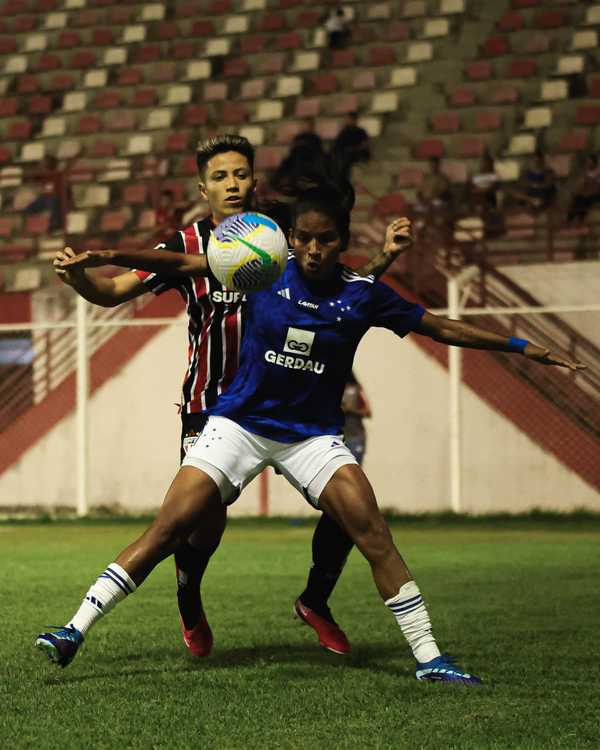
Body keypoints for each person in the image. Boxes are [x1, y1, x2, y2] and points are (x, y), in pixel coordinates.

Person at [40, 182, 584, 683]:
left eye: (326, 239)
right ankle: (73, 630)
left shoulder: (364, 294)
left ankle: (430, 659)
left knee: (372, 530)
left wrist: (520, 347)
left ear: (342, 241)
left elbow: (438, 326)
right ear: (291, 239)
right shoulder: (261, 272)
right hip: (238, 424)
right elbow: (184, 261)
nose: (314, 248)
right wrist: (109, 255)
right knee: (168, 529)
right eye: (304, 237)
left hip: (311, 437)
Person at [51, 135, 402, 658]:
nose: (232, 184)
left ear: (253, 181)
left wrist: (382, 260)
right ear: (203, 188)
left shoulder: (279, 236)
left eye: (240, 174)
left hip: (290, 407)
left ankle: (316, 600)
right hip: (212, 405)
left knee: (349, 508)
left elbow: (337, 283)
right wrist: (81, 278)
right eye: (220, 177)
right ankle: (189, 595)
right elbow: (113, 291)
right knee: (199, 523)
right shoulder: (186, 246)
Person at [25, 154, 71, 232]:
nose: (41, 164)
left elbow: (66, 190)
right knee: (30, 208)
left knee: (52, 203)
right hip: (44, 198)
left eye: (43, 162)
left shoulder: (58, 175)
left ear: (49, 164)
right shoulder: (42, 174)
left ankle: (54, 226)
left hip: (56, 197)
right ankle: (35, 226)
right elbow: (30, 177)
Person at [341, 371, 371, 465]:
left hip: (355, 437)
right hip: (339, 438)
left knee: (355, 469)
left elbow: (367, 412)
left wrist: (350, 409)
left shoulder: (357, 389)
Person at [332, 113, 370, 181]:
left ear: (354, 120)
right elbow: (338, 145)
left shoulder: (360, 131)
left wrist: (355, 149)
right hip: (345, 153)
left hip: (357, 153)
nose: (347, 121)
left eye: (349, 119)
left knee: (346, 160)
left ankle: (343, 179)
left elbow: (365, 144)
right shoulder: (344, 131)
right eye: (347, 119)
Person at [567, 153, 600, 224]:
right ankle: (569, 220)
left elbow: (597, 187)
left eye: (589, 161)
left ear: (594, 162)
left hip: (595, 193)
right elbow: (582, 184)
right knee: (576, 198)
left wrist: (588, 192)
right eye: (587, 161)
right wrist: (577, 192)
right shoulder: (586, 172)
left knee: (584, 200)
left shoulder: (598, 172)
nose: (588, 163)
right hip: (586, 192)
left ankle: (580, 220)